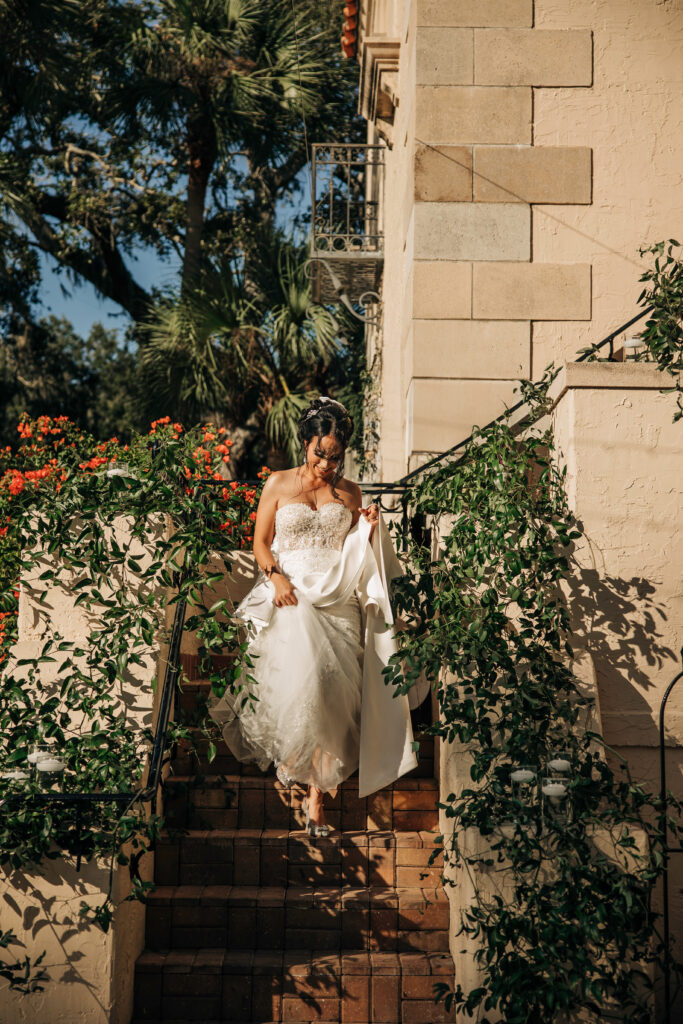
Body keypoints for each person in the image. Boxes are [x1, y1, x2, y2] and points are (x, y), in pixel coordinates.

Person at [209, 396, 418, 837]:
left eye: (335, 456)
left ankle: (317, 797)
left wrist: (368, 525)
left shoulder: (350, 492)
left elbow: (354, 545)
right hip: (293, 594)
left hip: (339, 599)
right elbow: (260, 542)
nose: (326, 464)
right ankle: (305, 776)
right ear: (304, 443)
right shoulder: (278, 484)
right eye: (319, 453)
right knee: (306, 686)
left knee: (335, 698)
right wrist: (276, 578)